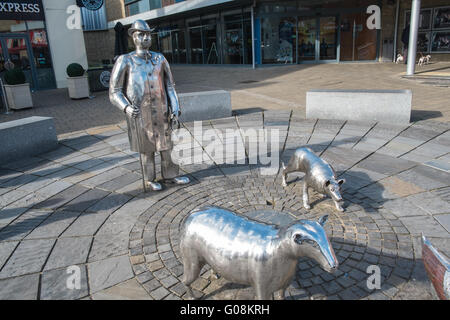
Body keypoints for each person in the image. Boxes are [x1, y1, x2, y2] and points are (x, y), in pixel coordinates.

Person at [109, 20, 190, 191]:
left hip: (162, 111)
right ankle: (149, 179)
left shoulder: (159, 58)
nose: (145, 38)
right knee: (147, 150)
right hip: (140, 113)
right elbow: (114, 91)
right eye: (141, 34)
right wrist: (127, 107)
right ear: (133, 37)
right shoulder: (125, 61)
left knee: (167, 147)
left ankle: (171, 175)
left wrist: (175, 108)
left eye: (148, 34)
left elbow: (170, 86)